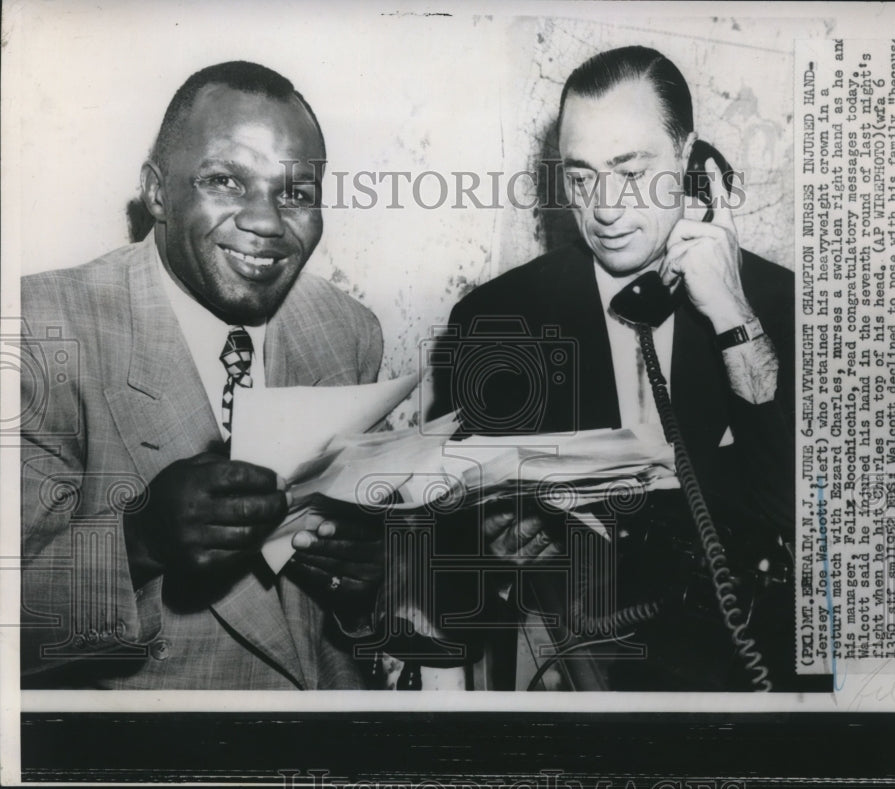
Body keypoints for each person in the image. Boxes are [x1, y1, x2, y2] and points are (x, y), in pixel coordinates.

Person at [430, 46, 800, 690]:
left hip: (746, 667)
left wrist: (731, 318)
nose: (603, 208)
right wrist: (486, 537)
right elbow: (443, 555)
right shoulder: (498, 316)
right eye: (581, 177)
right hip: (572, 666)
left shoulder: (781, 307)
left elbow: (807, 520)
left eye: (630, 173)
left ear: (689, 160)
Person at [20, 61, 385, 689]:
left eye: (296, 193)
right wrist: (141, 543)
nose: (268, 223)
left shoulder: (346, 329)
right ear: (158, 193)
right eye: (226, 181)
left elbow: (362, 608)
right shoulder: (42, 327)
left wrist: (369, 579)